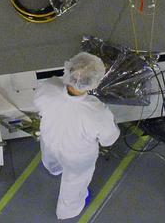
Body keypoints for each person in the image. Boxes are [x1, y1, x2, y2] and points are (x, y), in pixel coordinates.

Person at [33, 52, 120, 220]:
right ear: (94, 83)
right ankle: (68, 211)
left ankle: (54, 169)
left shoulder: (49, 86)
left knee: (51, 158)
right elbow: (109, 139)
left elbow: (38, 103)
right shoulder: (96, 111)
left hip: (50, 138)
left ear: (69, 70)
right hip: (77, 156)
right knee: (75, 182)